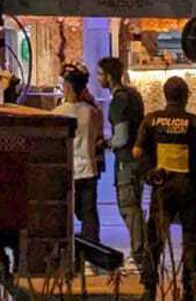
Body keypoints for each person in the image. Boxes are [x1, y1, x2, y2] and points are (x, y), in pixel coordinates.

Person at [134, 76, 196, 301]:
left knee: (154, 240)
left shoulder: (151, 121)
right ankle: (191, 288)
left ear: (166, 95)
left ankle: (149, 289)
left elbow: (137, 153)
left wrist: (149, 174)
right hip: (189, 189)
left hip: (162, 188)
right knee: (193, 238)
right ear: (186, 96)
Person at [99, 56, 146, 271]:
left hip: (125, 161)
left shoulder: (118, 100)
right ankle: (144, 251)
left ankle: (141, 254)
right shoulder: (134, 95)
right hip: (138, 161)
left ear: (109, 76)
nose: (98, 78)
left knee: (128, 207)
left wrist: (105, 144)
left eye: (100, 74)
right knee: (133, 205)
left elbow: (121, 137)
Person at [63, 67, 103, 253]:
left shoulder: (58, 113)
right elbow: (98, 139)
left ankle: (67, 251)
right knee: (89, 214)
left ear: (69, 87)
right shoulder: (93, 112)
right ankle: (93, 253)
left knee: (64, 213)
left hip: (67, 170)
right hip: (89, 169)